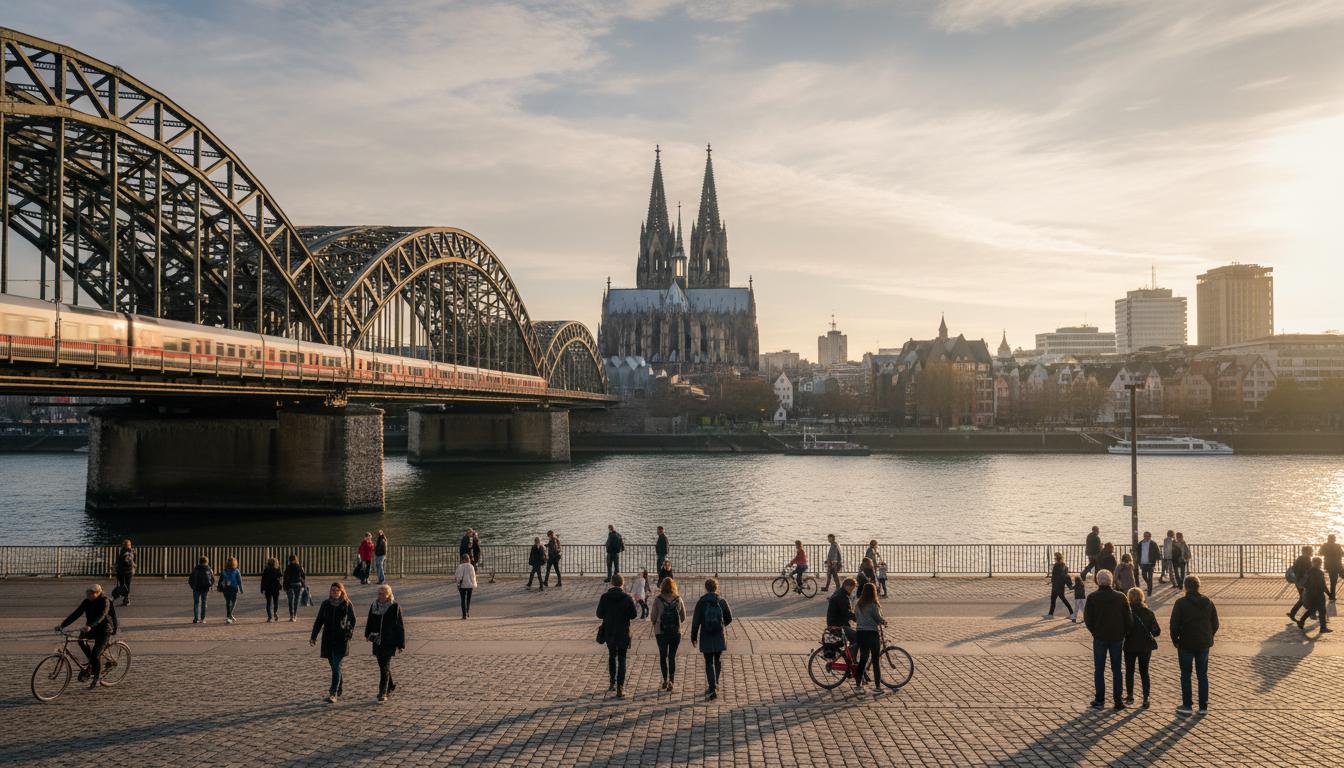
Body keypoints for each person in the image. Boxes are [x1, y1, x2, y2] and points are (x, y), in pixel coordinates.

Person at [1084, 570, 1132, 709]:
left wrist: (1094, 631)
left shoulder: (1092, 597)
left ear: (1098, 581)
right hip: (1117, 637)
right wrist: (1124, 632)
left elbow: (1088, 619)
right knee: (1117, 669)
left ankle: (1100, 699)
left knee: (1099, 669)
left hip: (1100, 637)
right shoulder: (1121, 597)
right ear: (1111, 581)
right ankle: (1118, 700)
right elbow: (1128, 618)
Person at [1170, 575, 1218, 715]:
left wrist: (1176, 640)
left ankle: (1187, 705)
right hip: (1203, 643)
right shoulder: (1208, 602)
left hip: (1186, 643)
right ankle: (1203, 706)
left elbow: (1174, 625)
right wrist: (1209, 636)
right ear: (1198, 586)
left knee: (1186, 674)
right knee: (1202, 674)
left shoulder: (1180, 603)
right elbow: (1215, 623)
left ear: (1186, 587)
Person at [57, 584, 115, 689]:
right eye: (88, 593)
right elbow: (76, 613)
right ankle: (92, 664)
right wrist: (62, 625)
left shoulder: (105, 601)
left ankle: (97, 677)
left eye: (92, 593)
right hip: (91, 628)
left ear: (98, 593)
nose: (89, 595)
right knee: (81, 641)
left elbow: (101, 616)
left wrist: (89, 625)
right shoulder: (87, 601)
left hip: (104, 630)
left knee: (95, 654)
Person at [310, 582, 356, 703]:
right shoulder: (326, 604)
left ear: (341, 591)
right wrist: (313, 637)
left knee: (336, 666)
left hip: (341, 641)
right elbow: (319, 621)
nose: (334, 592)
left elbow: (352, 621)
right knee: (334, 666)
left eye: (337, 590)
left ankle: (333, 693)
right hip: (328, 640)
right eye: (332, 590)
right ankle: (339, 685)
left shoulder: (347, 604)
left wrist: (348, 634)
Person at [690, 578, 733, 700]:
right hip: (719, 634)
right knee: (717, 659)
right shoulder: (722, 601)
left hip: (706, 634)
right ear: (716, 587)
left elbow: (696, 622)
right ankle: (716, 683)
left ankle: (712, 687)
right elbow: (729, 618)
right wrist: (721, 626)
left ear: (706, 588)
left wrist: (693, 636)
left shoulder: (701, 602)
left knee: (709, 662)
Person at [596, 573, 637, 697]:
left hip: (609, 631)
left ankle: (612, 682)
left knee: (612, 656)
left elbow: (599, 614)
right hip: (623, 631)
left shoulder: (605, 597)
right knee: (622, 658)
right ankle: (620, 687)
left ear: (612, 583)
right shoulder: (627, 598)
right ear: (622, 584)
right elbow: (633, 615)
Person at [365, 584, 406, 703]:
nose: (380, 596)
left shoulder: (394, 606)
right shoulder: (374, 605)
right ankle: (391, 685)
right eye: (379, 593)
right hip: (377, 640)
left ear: (388, 595)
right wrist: (367, 634)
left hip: (389, 641)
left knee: (384, 666)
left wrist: (400, 644)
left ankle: (383, 692)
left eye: (382, 593)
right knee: (382, 664)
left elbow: (399, 626)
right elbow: (369, 621)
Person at [1124, 587, 1160, 707]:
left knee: (1130, 671)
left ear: (1129, 598)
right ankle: (1146, 697)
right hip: (1145, 646)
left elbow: (1123, 629)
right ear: (1141, 597)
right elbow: (1157, 631)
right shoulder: (1148, 613)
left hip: (1130, 645)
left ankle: (1130, 696)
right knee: (1144, 671)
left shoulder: (1127, 612)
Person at [650, 577, 686, 691]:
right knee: (672, 656)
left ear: (662, 587)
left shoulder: (658, 599)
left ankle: (664, 680)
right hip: (675, 632)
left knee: (662, 655)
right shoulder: (678, 599)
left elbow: (653, 617)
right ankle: (672, 680)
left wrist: (657, 623)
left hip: (661, 632)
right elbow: (683, 617)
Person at [853, 582, 888, 694]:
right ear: (874, 592)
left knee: (863, 658)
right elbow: (878, 618)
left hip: (861, 634)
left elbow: (856, 617)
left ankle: (858, 685)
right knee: (875, 660)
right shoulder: (873, 605)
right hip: (872, 633)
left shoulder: (858, 604)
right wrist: (883, 621)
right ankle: (877, 687)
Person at [1297, 557, 1331, 634]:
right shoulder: (1320, 573)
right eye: (1320, 563)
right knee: (1322, 610)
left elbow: (1302, 584)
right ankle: (1323, 628)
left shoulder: (1308, 572)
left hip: (1309, 594)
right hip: (1318, 594)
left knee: (1312, 609)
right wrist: (1329, 594)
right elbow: (1323, 586)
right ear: (1319, 564)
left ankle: (1301, 621)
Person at [1287, 545, 1315, 623]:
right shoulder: (1307, 559)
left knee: (1302, 598)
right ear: (1307, 551)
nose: (1312, 552)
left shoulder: (1299, 558)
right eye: (1311, 550)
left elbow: (1296, 569)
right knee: (1308, 598)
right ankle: (1311, 614)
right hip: (1303, 582)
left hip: (1298, 581)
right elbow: (1309, 571)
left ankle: (1292, 613)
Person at [827, 577, 858, 645]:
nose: (852, 590)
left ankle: (847, 653)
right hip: (838, 625)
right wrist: (858, 619)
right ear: (847, 586)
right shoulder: (843, 596)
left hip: (832, 622)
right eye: (852, 588)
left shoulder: (838, 592)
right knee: (857, 638)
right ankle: (851, 655)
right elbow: (847, 612)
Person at [188, 556, 215, 624]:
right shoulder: (209, 569)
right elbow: (213, 579)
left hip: (196, 588)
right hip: (205, 588)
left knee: (196, 603)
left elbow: (190, 579)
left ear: (199, 561)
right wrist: (210, 585)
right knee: (204, 603)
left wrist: (192, 586)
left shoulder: (195, 569)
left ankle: (196, 619)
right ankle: (203, 619)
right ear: (207, 562)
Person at [1045, 552, 1073, 619]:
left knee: (1058, 599)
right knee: (1056, 599)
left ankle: (1072, 613)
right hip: (1061, 585)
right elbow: (1065, 576)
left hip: (1056, 586)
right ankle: (1050, 614)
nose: (1054, 559)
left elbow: (1054, 576)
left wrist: (1051, 581)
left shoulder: (1056, 565)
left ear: (1056, 558)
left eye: (1055, 558)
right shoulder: (1065, 566)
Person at [283, 554, 307, 622]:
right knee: (296, 601)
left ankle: (291, 615)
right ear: (296, 559)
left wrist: (284, 586)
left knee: (290, 601)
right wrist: (303, 585)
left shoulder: (288, 567)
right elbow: (303, 577)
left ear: (289, 560)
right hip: (298, 585)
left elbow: (285, 577)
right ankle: (295, 615)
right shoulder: (300, 567)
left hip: (290, 585)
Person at [219, 557, 243, 624]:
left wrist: (220, 587)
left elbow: (220, 580)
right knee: (234, 602)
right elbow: (239, 581)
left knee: (228, 602)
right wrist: (241, 589)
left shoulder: (224, 571)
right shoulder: (236, 571)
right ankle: (229, 616)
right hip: (234, 588)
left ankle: (229, 615)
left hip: (225, 588)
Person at [1319, 534, 1343, 601]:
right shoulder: (1337, 546)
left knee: (1333, 582)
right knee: (1333, 582)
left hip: (1330, 566)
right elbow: (1342, 553)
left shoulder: (1325, 546)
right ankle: (1331, 596)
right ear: (1334, 539)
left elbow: (1320, 553)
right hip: (1338, 565)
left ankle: (1331, 596)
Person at [260, 557, 284, 622]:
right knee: (276, 602)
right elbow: (280, 579)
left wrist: (262, 588)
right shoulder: (278, 570)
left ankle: (269, 617)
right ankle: (275, 612)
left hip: (268, 588)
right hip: (275, 588)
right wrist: (280, 586)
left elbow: (263, 580)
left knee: (268, 603)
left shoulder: (266, 570)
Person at [455, 554, 477, 620]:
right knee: (468, 599)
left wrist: (458, 583)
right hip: (470, 585)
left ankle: (464, 615)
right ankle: (467, 611)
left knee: (463, 599)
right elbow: (473, 576)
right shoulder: (471, 566)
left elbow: (458, 576)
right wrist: (474, 584)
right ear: (468, 559)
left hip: (462, 585)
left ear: (463, 559)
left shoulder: (460, 566)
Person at [113, 540, 135, 606]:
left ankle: (124, 598)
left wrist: (115, 567)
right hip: (129, 571)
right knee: (127, 585)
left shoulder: (123, 552)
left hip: (123, 571)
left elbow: (121, 562)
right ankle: (126, 599)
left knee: (123, 585)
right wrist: (134, 566)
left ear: (123, 545)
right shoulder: (132, 551)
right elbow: (131, 561)